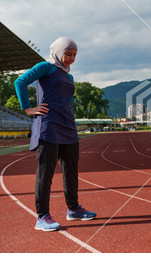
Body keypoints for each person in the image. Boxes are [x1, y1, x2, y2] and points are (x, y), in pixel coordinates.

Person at [15, 37, 96, 231]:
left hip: (68, 128)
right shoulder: (46, 67)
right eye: (68, 54)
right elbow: (21, 81)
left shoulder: (69, 77)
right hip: (48, 127)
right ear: (59, 51)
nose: (71, 59)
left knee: (71, 171)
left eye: (75, 55)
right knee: (46, 173)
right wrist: (27, 108)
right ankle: (42, 217)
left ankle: (73, 209)